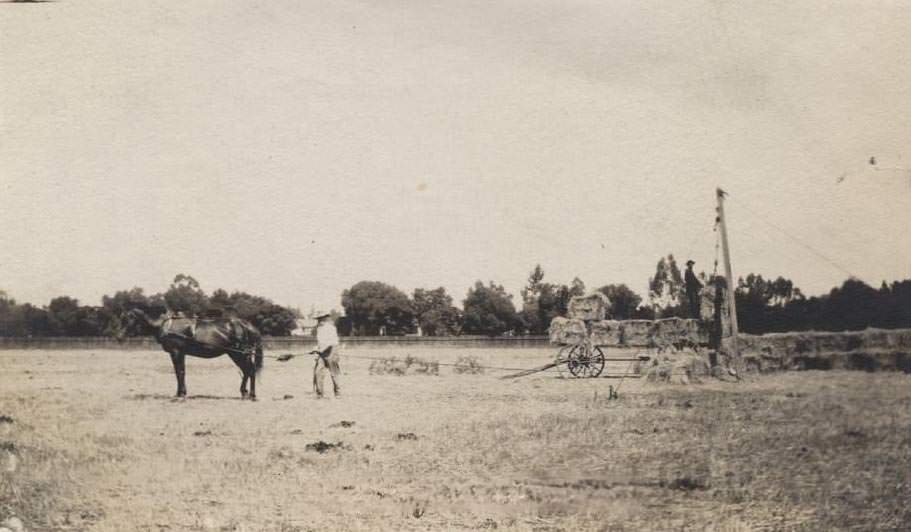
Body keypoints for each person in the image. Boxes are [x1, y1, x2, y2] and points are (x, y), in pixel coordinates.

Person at [312, 312, 341, 398]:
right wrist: (316, 349)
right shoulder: (319, 329)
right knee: (318, 372)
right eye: (318, 319)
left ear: (325, 318)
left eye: (320, 319)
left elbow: (329, 343)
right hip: (322, 353)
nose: (318, 321)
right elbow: (320, 342)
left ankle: (338, 393)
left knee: (334, 374)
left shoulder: (331, 328)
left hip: (332, 352)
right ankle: (320, 394)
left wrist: (318, 350)